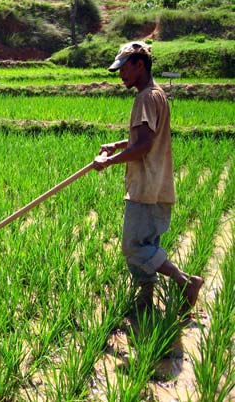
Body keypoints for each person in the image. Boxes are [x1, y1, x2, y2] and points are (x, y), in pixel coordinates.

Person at [92, 41, 203, 317]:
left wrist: (108, 161)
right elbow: (145, 138)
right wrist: (118, 146)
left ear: (139, 65)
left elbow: (143, 146)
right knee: (145, 247)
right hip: (154, 185)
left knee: (133, 247)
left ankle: (186, 281)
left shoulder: (145, 98)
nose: (120, 75)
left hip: (146, 189)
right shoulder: (157, 94)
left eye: (123, 69)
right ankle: (145, 299)